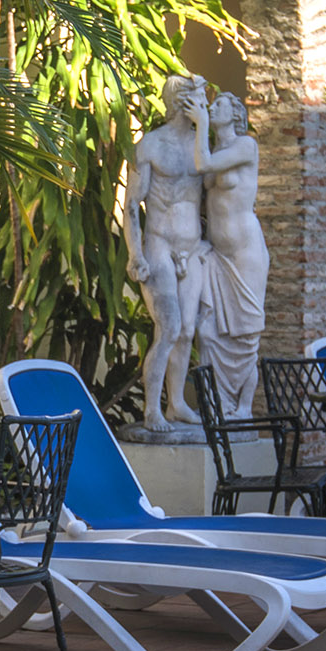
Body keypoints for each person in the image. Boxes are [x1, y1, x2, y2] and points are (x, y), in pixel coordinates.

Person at [121, 74, 210, 434]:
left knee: (187, 330)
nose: (201, 105)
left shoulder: (202, 146)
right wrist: (134, 253)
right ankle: (152, 412)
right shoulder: (152, 145)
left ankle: (176, 405)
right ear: (180, 102)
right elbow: (130, 205)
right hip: (159, 245)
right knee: (169, 327)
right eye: (197, 99)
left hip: (191, 248)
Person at [190, 86, 268, 413]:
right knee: (206, 332)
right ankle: (217, 405)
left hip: (245, 253)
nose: (213, 106)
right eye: (212, 104)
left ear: (235, 114)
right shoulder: (214, 148)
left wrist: (200, 122)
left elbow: (203, 164)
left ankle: (245, 407)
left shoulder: (245, 146)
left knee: (245, 339)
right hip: (217, 254)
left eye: (220, 103)